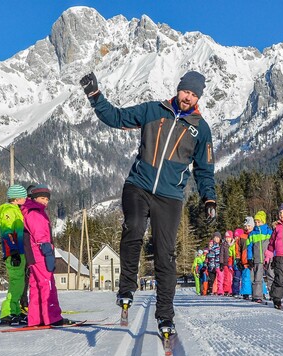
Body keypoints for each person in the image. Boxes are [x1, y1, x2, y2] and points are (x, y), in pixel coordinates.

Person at [79, 70, 217, 336]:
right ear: (178, 89)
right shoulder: (154, 110)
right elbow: (117, 117)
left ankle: (165, 316)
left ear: (198, 97)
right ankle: (127, 287)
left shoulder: (201, 129)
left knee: (165, 256)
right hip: (139, 185)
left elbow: (204, 169)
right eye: (185, 91)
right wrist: (95, 96)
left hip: (170, 196)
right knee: (133, 227)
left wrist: (208, 197)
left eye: (193, 94)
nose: (187, 97)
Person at [21, 184, 68, 326]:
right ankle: (52, 317)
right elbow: (40, 234)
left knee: (36, 285)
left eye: (47, 199)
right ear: (34, 198)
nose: (45, 202)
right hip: (40, 253)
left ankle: (36, 318)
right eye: (42, 198)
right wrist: (47, 252)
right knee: (47, 284)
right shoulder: (35, 212)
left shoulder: (30, 210)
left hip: (33, 255)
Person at [0, 184, 28, 325]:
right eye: (24, 197)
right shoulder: (8, 210)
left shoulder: (16, 210)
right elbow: (7, 231)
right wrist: (13, 249)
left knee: (20, 283)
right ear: (17, 198)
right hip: (13, 252)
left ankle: (15, 311)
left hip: (19, 251)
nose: (26, 199)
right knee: (16, 283)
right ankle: (7, 312)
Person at [246, 211, 272, 303]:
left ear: (263, 221)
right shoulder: (252, 234)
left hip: (268, 258)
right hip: (257, 258)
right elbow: (249, 247)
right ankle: (257, 296)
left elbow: (273, 244)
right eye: (256, 222)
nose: (257, 224)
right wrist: (249, 258)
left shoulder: (269, 232)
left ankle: (273, 294)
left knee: (271, 275)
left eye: (259, 222)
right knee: (257, 277)